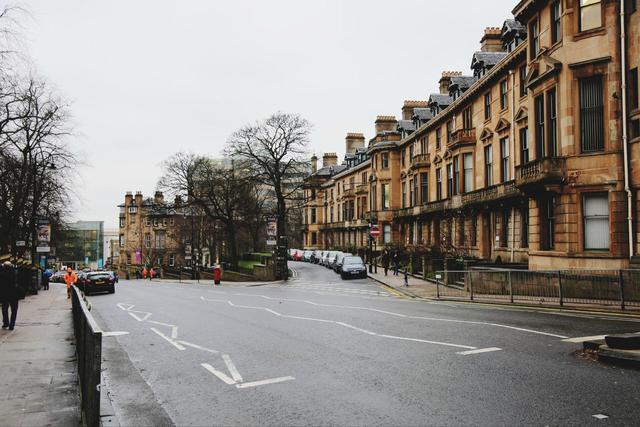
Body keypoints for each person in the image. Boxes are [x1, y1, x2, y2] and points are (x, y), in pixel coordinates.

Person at [1, 261, 19, 330]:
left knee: (4, 309)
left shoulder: (1, 274)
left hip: (4, 294)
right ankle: (12, 324)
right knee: (14, 310)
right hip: (14, 294)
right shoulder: (15, 273)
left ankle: (6, 323)